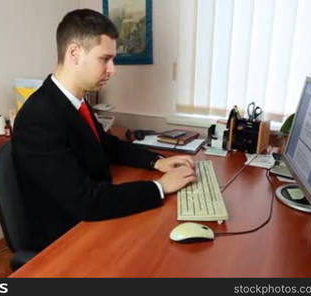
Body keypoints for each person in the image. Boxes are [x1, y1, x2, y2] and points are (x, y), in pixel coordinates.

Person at [12, 9, 196, 251]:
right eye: (104, 59)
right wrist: (160, 187)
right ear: (75, 53)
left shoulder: (75, 101)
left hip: (91, 219)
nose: (113, 69)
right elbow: (86, 202)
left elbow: (106, 145)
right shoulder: (39, 117)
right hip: (66, 239)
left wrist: (155, 162)